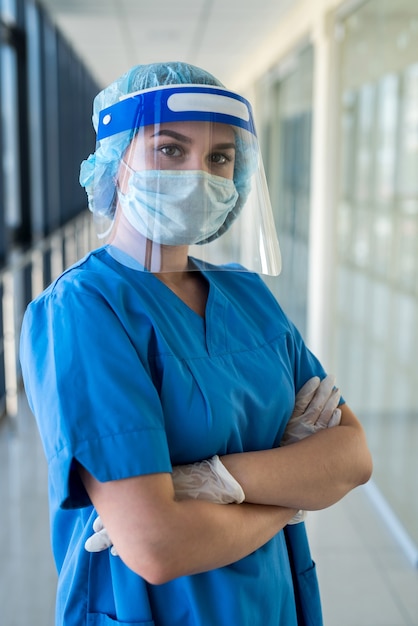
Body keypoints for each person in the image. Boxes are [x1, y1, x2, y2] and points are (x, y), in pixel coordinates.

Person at [19, 61, 372, 626]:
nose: (197, 175)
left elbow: (353, 456)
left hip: (272, 603)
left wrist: (212, 482)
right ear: (116, 164)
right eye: (169, 149)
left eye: (219, 158)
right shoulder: (82, 311)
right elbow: (158, 547)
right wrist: (291, 490)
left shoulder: (249, 296)